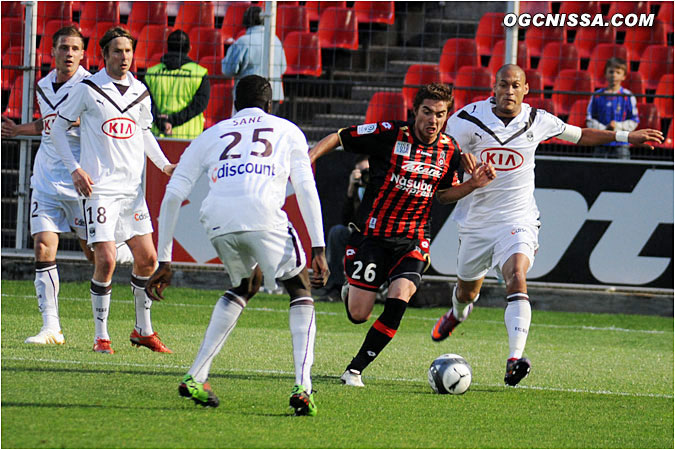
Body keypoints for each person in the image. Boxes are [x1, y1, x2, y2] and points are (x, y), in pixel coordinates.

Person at [430, 64, 663, 387]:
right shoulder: (468, 119)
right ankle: (457, 314)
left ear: (526, 89)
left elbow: (579, 135)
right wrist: (458, 156)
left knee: (517, 275)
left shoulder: (537, 120)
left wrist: (626, 136)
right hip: (476, 222)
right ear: (493, 87)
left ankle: (515, 358)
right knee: (467, 292)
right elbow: (438, 143)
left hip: (518, 218)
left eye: (515, 86)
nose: (508, 92)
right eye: (503, 85)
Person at [145, 75, 329, 416]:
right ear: (270, 105)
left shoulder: (211, 133)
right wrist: (318, 247)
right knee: (300, 287)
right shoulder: (287, 130)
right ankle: (304, 385)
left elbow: (172, 196)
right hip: (264, 215)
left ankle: (197, 375)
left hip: (216, 218)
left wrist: (165, 259)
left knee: (246, 284)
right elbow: (305, 187)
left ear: (233, 105)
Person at [309, 83, 497, 387]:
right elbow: (339, 137)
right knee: (358, 315)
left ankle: (354, 370)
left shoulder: (449, 150)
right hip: (372, 236)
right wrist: (311, 156)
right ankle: (350, 292)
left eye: (440, 114)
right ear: (415, 110)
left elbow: (444, 196)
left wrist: (473, 185)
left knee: (400, 298)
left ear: (446, 115)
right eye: (427, 112)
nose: (432, 120)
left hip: (413, 239)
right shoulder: (389, 133)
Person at [1, 26, 133, 345]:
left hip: (83, 180)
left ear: (84, 54)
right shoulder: (43, 85)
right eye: (63, 47)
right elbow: (49, 125)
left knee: (96, 255)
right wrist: (20, 130)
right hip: (47, 177)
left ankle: (125, 253)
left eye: (75, 48)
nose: (69, 53)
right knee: (43, 246)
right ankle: (51, 328)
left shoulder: (93, 86)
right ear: (53, 53)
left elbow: (88, 125)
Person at [50, 26, 177, 355]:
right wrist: (75, 169)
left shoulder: (140, 91)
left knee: (148, 260)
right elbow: (59, 129)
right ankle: (101, 336)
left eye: (129, 51)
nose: (124, 57)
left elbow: (144, 133)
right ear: (104, 55)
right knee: (105, 259)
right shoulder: (89, 88)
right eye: (117, 51)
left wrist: (163, 165)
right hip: (100, 190)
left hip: (131, 192)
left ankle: (142, 330)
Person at [314, 154, 370, 300]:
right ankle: (335, 286)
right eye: (361, 171)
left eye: (368, 171)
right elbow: (346, 220)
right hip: (359, 233)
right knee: (337, 232)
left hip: (378, 234)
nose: (365, 175)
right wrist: (351, 189)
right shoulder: (357, 190)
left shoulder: (382, 187)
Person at [144, 29, 210, 139]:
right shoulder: (200, 73)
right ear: (189, 49)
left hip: (157, 135)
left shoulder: (151, 73)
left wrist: (162, 122)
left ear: (167, 48)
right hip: (189, 136)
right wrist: (172, 120)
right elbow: (199, 105)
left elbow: (146, 103)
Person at [221, 6, 287, 112]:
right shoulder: (275, 40)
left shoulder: (242, 42)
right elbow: (283, 68)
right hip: (273, 94)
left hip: (249, 96)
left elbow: (228, 70)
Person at [586, 57, 639, 159]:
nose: (614, 75)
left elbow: (634, 120)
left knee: (623, 171)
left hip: (621, 143)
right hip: (601, 142)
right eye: (611, 72)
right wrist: (604, 129)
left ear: (624, 76)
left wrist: (617, 126)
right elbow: (590, 119)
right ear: (605, 74)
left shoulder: (628, 96)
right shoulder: (597, 95)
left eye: (618, 72)